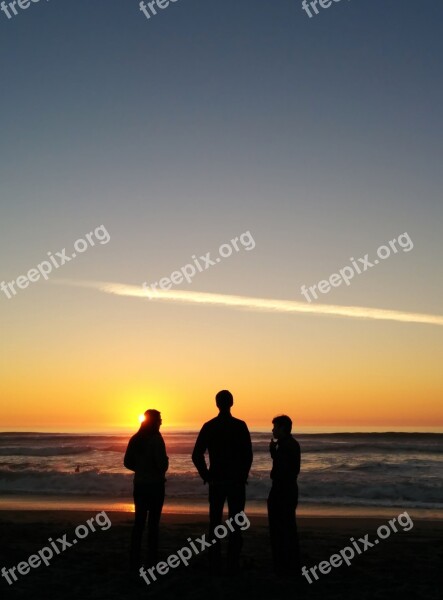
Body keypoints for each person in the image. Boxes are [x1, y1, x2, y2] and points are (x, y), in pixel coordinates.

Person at [192, 390, 253, 573]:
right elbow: (248, 455)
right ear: (232, 403)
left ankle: (215, 561)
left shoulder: (210, 426)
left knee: (215, 522)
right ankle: (233, 562)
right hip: (235, 481)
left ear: (216, 404)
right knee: (235, 522)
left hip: (217, 481)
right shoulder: (240, 426)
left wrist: (206, 476)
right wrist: (243, 475)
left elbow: (196, 455)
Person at [124, 409, 168, 570]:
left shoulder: (135, 438)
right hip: (155, 485)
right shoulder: (156, 439)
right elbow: (163, 465)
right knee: (153, 524)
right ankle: (152, 558)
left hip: (140, 484)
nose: (161, 422)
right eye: (160, 420)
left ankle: (134, 556)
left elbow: (127, 462)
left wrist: (141, 469)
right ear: (155, 422)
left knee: (139, 523)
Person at [267, 414, 301, 576]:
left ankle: (282, 564)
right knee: (288, 525)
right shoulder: (291, 444)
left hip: (282, 489)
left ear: (282, 428)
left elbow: (282, 471)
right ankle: (291, 561)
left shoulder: (286, 446)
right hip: (289, 488)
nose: (273, 430)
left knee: (278, 527)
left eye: (275, 427)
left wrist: (274, 454)